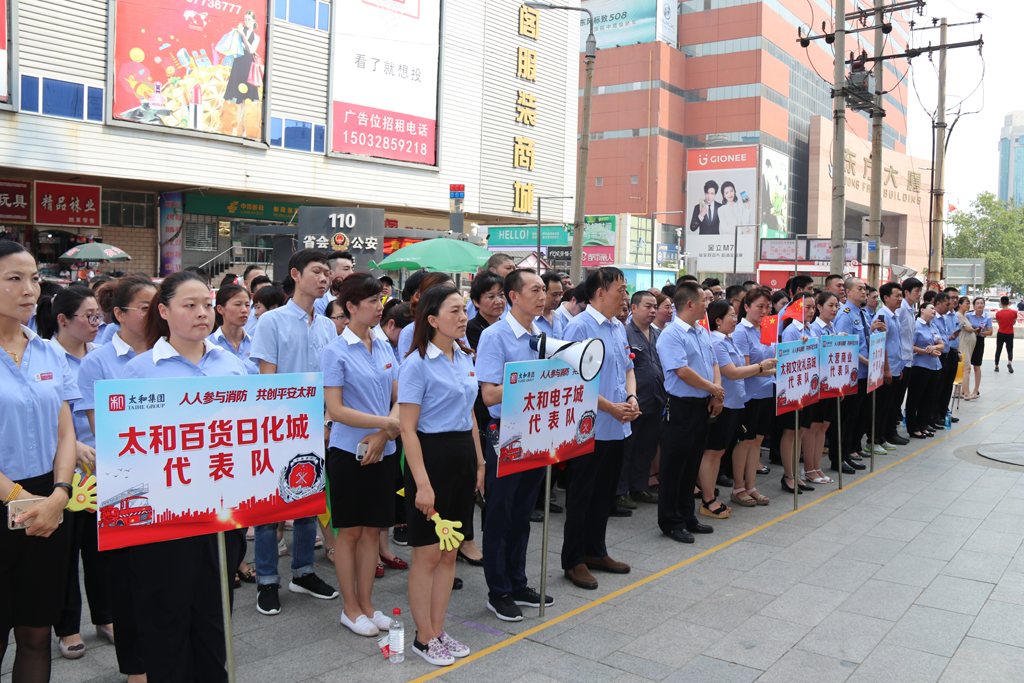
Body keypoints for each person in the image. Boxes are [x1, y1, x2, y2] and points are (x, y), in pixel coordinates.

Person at [115, 272, 249, 682]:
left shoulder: (233, 366)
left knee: (214, 615)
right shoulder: (138, 372)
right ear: (163, 311)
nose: (202, 313)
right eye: (189, 305)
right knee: (165, 618)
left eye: (206, 305)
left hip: (221, 513)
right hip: (162, 520)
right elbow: (123, 449)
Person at [0, 243, 78, 683]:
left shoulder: (49, 352)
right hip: (10, 499)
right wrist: (21, 499)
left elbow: (65, 432)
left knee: (36, 632)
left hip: (49, 502)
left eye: (33, 278)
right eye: (14, 279)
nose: (30, 290)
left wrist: (60, 493)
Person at [76, 275, 157, 683]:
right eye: (144, 307)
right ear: (120, 315)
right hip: (123, 484)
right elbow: (105, 431)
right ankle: (135, 668)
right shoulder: (99, 362)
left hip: (172, 480)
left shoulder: (171, 353)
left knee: (163, 580)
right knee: (126, 581)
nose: (154, 313)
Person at [250, 249, 339, 616]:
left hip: (317, 425)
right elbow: (266, 382)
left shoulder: (327, 325)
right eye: (317, 271)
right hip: (279, 426)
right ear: (296, 274)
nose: (324, 278)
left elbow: (332, 381)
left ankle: (303, 572)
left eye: (327, 273)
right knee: (270, 507)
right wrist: (279, 426)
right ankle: (267, 580)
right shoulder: (272, 322)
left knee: (308, 500)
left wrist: (327, 421)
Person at [399, 285, 483, 666]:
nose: (463, 317)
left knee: (450, 552)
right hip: (431, 458)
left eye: (464, 310)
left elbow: (470, 415)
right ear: (432, 319)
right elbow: (407, 429)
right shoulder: (416, 363)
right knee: (428, 554)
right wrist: (422, 483)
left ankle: (437, 628)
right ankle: (423, 637)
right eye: (455, 311)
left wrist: (479, 463)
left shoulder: (464, 357)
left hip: (462, 457)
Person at [320, 273, 400, 637]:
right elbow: (336, 410)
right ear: (350, 306)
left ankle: (367, 605)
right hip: (348, 454)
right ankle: (349, 609)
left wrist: (384, 434)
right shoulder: (335, 351)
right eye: (371, 301)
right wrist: (386, 424)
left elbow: (399, 395)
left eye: (379, 300)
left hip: (384, 451)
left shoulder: (382, 344)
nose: (379, 306)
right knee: (350, 533)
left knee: (372, 531)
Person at [37, 286, 112, 661]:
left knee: (101, 551)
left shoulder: (100, 356)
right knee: (65, 554)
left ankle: (105, 616)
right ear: (63, 320)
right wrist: (72, 446)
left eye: (99, 315)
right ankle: (66, 627)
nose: (97, 322)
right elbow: (39, 415)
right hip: (64, 469)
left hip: (104, 468)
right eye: (89, 316)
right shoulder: (45, 356)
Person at [475, 269, 553, 621]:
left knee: (523, 512)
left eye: (544, 289)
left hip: (536, 430)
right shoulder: (495, 336)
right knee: (500, 513)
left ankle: (518, 581)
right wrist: (535, 382)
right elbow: (490, 395)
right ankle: (499, 590)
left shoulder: (542, 335)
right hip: (506, 432)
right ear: (514, 296)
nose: (543, 296)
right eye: (535, 290)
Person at [560, 268, 637, 590]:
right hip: (588, 428)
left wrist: (631, 397)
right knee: (582, 495)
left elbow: (628, 368)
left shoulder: (618, 327)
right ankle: (573, 560)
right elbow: (572, 381)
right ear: (600, 292)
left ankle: (596, 551)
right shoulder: (579, 327)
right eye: (621, 289)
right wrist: (611, 407)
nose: (625, 296)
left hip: (617, 425)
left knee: (604, 494)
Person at [655, 282, 724, 543]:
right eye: (704, 300)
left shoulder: (701, 331)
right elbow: (682, 371)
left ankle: (687, 516)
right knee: (674, 466)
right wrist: (713, 388)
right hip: (680, 406)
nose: (708, 304)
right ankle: (670, 521)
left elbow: (714, 362)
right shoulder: (671, 334)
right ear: (690, 304)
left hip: (702, 405)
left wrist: (715, 392)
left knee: (691, 465)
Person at [705, 299, 774, 511]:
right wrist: (761, 366)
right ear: (718, 320)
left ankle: (717, 496)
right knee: (713, 451)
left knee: (720, 451)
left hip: (736, 402)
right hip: (723, 403)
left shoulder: (728, 339)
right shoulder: (716, 342)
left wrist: (768, 368)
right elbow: (733, 372)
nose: (735, 320)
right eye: (731, 316)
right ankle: (708, 499)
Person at [616, 291, 666, 509]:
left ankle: (639, 486)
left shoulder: (658, 334)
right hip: (635, 400)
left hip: (656, 399)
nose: (653, 310)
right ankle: (620, 491)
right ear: (634, 308)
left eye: (655, 306)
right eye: (648, 306)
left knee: (647, 447)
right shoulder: (625, 333)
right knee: (628, 448)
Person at [834, 278, 886, 470]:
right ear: (848, 292)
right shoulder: (845, 315)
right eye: (860, 288)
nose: (864, 292)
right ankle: (842, 454)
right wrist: (867, 361)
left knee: (858, 415)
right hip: (852, 374)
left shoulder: (862, 312)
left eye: (865, 288)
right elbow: (845, 346)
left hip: (865, 373)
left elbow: (865, 340)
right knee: (846, 419)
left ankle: (851, 450)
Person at [731, 289, 776, 501]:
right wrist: (771, 370)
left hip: (767, 390)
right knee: (745, 441)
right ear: (747, 307)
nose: (765, 311)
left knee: (757, 440)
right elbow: (746, 368)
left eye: (768, 307)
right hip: (749, 395)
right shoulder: (741, 331)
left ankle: (751, 486)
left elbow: (775, 355)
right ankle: (738, 488)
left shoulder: (768, 327)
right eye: (760, 306)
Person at [779, 293, 817, 493]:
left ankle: (796, 473)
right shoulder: (791, 331)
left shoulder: (810, 329)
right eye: (807, 307)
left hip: (808, 387)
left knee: (800, 431)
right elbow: (787, 361)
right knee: (791, 432)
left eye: (813, 307)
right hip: (793, 389)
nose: (811, 311)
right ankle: (788, 475)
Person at [803, 292, 841, 483]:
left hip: (831, 384)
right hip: (817, 385)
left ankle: (817, 467)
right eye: (830, 305)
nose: (834, 309)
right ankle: (809, 468)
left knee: (824, 425)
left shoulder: (832, 327)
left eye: (836, 306)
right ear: (820, 307)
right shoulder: (815, 328)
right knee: (813, 426)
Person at [397, 273, 457, 363]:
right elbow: (408, 366)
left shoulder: (457, 328)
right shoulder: (410, 332)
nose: (451, 296)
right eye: (443, 292)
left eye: (453, 290)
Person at [876, 283, 909, 448]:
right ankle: (876, 439)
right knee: (882, 406)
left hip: (896, 367)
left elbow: (896, 343)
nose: (900, 299)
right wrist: (887, 369)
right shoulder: (882, 316)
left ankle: (887, 435)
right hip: (886, 369)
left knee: (891, 405)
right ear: (886, 297)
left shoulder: (894, 316)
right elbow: (881, 344)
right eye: (897, 296)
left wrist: (899, 367)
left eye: (901, 296)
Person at [906, 303, 944, 439]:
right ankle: (913, 427)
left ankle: (923, 424)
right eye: (931, 308)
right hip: (920, 366)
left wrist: (934, 348)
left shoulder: (933, 326)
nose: (934, 311)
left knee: (928, 398)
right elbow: (911, 346)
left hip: (934, 366)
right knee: (915, 398)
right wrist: (927, 351)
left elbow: (941, 344)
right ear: (922, 310)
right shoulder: (916, 325)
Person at [224, 9, 262, 138]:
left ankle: (240, 128)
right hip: (239, 64)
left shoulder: (256, 37)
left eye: (249, 20)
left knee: (245, 100)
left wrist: (243, 37)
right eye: (245, 19)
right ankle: (239, 129)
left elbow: (251, 49)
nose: (247, 22)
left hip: (248, 67)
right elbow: (238, 46)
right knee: (239, 99)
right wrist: (241, 36)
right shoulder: (239, 31)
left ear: (254, 21)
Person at [210, 283, 258, 374]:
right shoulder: (208, 346)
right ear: (220, 309)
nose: (244, 310)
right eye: (237, 304)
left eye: (247, 305)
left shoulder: (256, 344)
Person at [466, 254, 516, 320]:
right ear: (492, 270)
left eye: (514, 269)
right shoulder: (480, 295)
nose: (513, 272)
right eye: (508, 268)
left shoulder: (512, 297)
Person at [466, 272, 505, 350]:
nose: (498, 301)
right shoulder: (471, 329)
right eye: (491, 297)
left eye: (501, 295)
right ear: (476, 302)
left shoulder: (506, 327)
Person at [964, 297, 993, 399]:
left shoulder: (987, 318)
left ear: (984, 305)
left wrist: (979, 332)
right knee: (966, 365)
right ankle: (963, 389)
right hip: (968, 341)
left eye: (981, 303)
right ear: (974, 306)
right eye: (978, 303)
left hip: (979, 341)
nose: (980, 305)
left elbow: (990, 332)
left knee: (977, 365)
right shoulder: (968, 315)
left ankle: (976, 389)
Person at [314, 251, 355, 317]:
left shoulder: (358, 301)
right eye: (346, 269)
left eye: (352, 269)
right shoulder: (318, 304)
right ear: (330, 273)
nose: (352, 273)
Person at [957, 296, 977, 398]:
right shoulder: (959, 315)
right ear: (960, 305)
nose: (968, 305)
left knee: (963, 368)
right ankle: (966, 392)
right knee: (966, 368)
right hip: (963, 344)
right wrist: (976, 329)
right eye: (967, 303)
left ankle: (958, 392)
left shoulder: (964, 316)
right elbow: (968, 329)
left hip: (967, 345)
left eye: (969, 304)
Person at [536, 272, 564, 338]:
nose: (558, 299)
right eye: (554, 295)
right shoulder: (531, 320)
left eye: (560, 295)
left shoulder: (558, 318)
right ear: (543, 292)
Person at [994, 295, 1016, 373]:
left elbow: (999, 323)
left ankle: (996, 366)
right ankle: (1009, 362)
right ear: (1009, 303)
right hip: (1010, 333)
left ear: (1001, 303)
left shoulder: (998, 313)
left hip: (1001, 332)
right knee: (1010, 349)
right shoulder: (1014, 312)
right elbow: (1014, 322)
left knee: (998, 349)